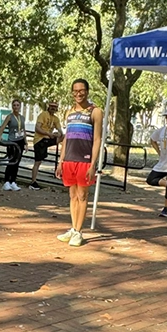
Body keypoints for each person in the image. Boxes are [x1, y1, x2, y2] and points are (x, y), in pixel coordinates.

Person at [55, 79, 103, 247]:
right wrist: (61, 161)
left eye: (81, 90)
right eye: (75, 91)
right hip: (69, 159)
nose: (78, 94)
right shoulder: (69, 113)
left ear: (87, 91)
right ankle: (73, 228)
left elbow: (97, 139)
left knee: (83, 196)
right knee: (72, 195)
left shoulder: (95, 111)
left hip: (84, 160)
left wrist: (92, 164)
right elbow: (66, 138)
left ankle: (79, 231)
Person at [29, 101, 63, 190]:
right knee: (38, 162)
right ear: (49, 107)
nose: (53, 108)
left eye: (55, 107)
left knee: (64, 137)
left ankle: (65, 154)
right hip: (40, 140)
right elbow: (37, 128)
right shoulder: (43, 114)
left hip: (47, 139)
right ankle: (33, 182)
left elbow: (60, 132)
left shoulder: (56, 119)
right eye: (51, 106)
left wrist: (57, 134)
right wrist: (48, 133)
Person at [0, 98, 26, 191]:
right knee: (11, 161)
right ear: (12, 106)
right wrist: (0, 136)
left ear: (20, 106)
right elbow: (2, 127)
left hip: (20, 140)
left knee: (17, 162)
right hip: (12, 141)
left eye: (18, 105)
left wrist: (26, 142)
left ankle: (13, 181)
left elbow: (23, 130)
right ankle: (6, 181)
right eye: (14, 105)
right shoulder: (9, 116)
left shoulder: (22, 118)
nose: (16, 107)